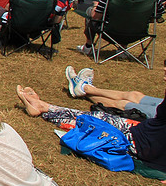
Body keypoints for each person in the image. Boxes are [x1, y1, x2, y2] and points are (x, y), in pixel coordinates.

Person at [19, 65, 166, 173]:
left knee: (92, 122)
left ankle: (43, 107)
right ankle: (45, 106)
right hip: (143, 136)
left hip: (136, 142)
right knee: (99, 117)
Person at [76, 0, 154, 54]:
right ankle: (123, 49)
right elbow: (155, 18)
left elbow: (96, 17)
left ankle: (88, 46)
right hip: (138, 33)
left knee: (90, 11)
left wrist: (95, 5)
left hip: (111, 33)